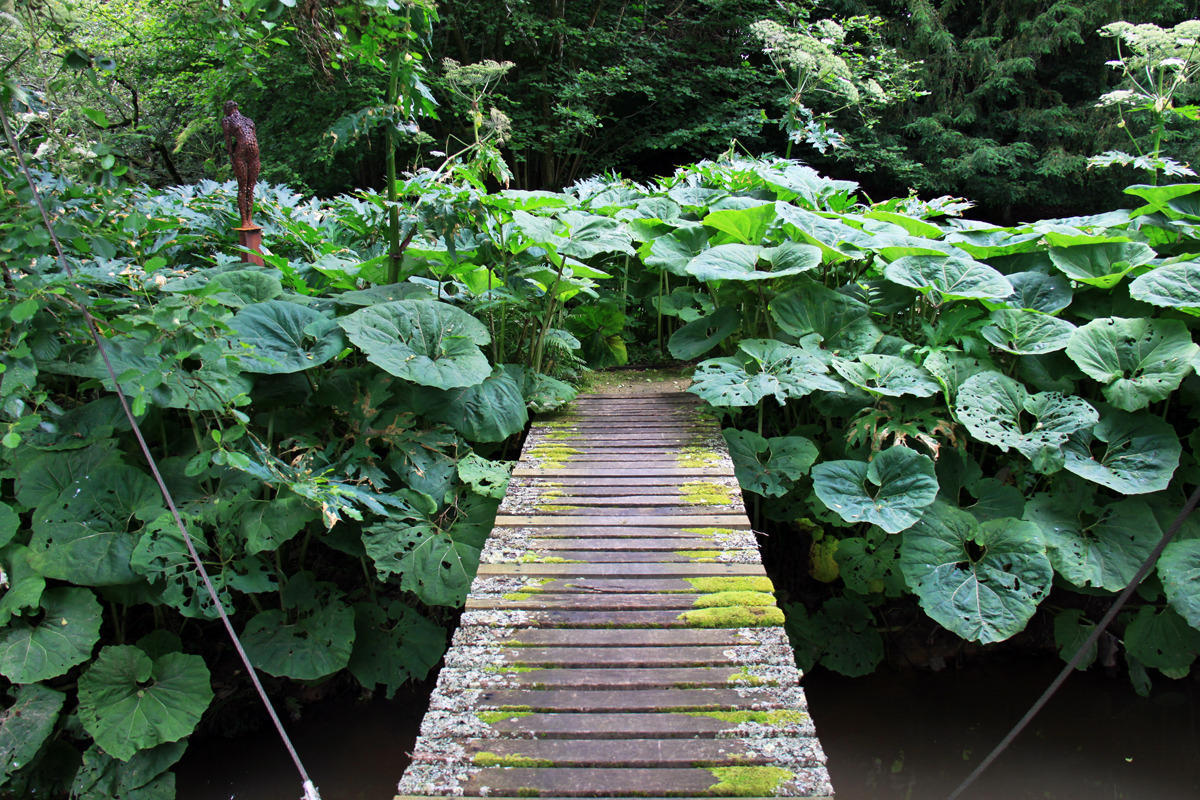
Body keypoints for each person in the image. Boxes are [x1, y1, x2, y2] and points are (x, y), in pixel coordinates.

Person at [221, 101, 260, 227]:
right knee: (243, 186)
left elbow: (253, 136)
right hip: (241, 154)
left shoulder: (248, 121)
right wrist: (232, 156)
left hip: (253, 154)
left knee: (250, 187)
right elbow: (228, 140)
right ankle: (244, 220)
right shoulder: (227, 121)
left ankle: (250, 219)